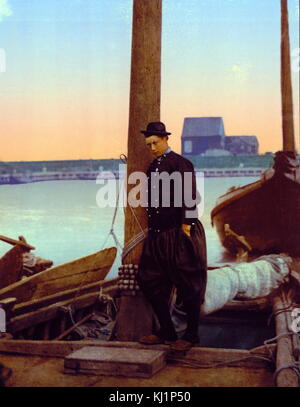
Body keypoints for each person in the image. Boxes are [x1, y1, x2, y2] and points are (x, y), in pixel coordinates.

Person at [137, 121, 207, 351]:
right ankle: (167, 331)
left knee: (190, 285)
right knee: (147, 279)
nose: (152, 147)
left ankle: (191, 336)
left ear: (166, 139)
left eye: (155, 143)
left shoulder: (180, 163)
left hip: (178, 233)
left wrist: (186, 226)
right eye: (149, 144)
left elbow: (190, 195)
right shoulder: (153, 165)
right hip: (157, 236)